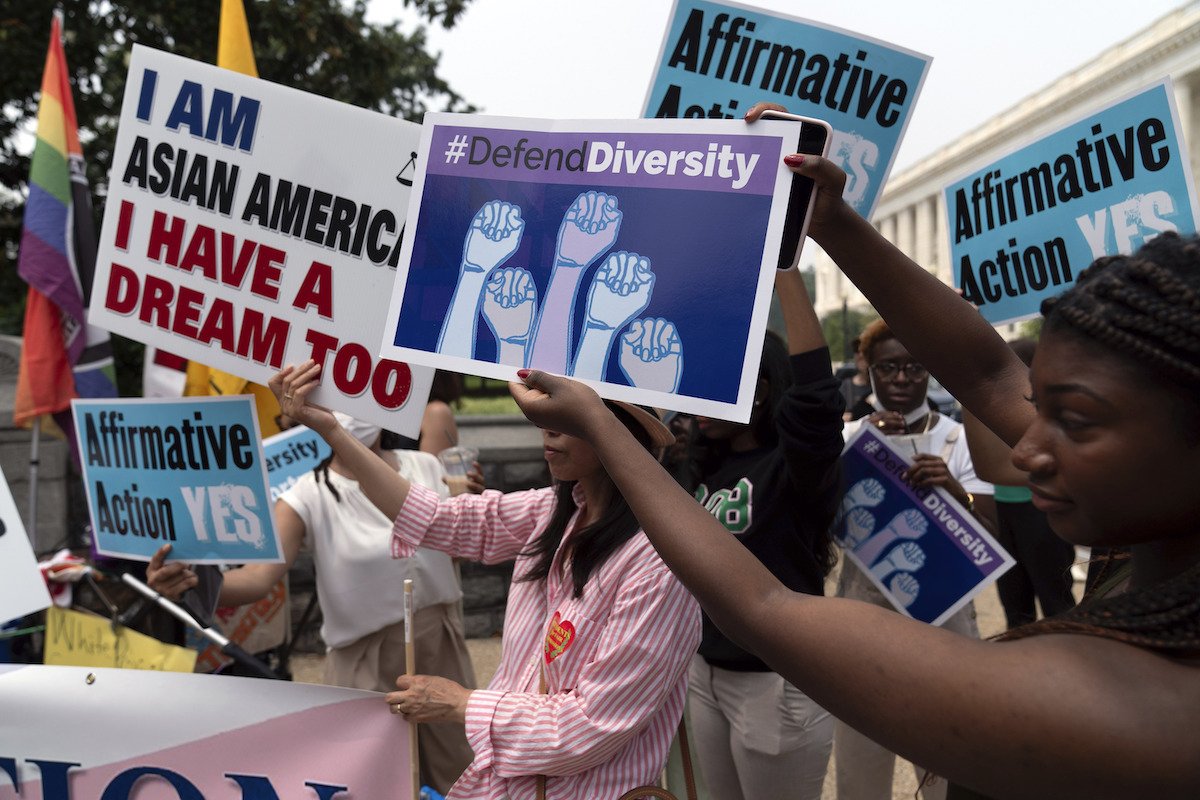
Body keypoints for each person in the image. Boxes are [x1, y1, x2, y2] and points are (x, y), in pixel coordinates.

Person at [503, 102, 1200, 799]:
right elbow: (989, 372)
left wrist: (601, 427)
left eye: (1073, 420)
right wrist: (833, 222)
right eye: (1038, 408)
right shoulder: (1152, 542)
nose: (1025, 451)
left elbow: (766, 607)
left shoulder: (1137, 709)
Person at [271, 361, 701, 800]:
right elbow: (436, 518)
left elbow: (587, 727)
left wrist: (462, 703)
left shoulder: (659, 564)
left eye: (566, 417)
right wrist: (332, 431)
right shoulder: (552, 512)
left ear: (619, 430)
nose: (546, 430)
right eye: (543, 414)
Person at [146, 412, 478, 795]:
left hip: (440, 644)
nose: (352, 413)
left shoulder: (427, 465)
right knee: (370, 782)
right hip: (363, 663)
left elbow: (459, 550)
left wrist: (471, 505)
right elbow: (257, 578)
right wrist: (191, 583)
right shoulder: (307, 493)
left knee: (461, 773)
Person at [680, 269, 843, 800]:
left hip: (776, 682)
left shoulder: (793, 468)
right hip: (704, 672)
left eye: (717, 385)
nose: (699, 400)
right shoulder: (698, 463)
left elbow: (817, 393)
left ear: (760, 392)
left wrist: (787, 272)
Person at [835, 317, 996, 800]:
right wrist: (860, 453)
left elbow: (989, 532)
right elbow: (820, 518)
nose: (901, 379)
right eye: (888, 368)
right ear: (870, 369)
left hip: (944, 609)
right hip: (865, 612)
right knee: (861, 754)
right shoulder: (846, 438)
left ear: (929, 372)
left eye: (913, 367)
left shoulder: (959, 439)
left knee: (945, 751)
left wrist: (951, 489)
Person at [963, 339, 1077, 628]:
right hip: (1006, 512)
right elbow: (993, 466)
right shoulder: (995, 409)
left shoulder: (1049, 418)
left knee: (1057, 606)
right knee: (1016, 611)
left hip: (1039, 514)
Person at [840, 336, 872, 421]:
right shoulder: (841, 388)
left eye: (865, 350)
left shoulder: (884, 389)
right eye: (857, 350)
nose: (861, 354)